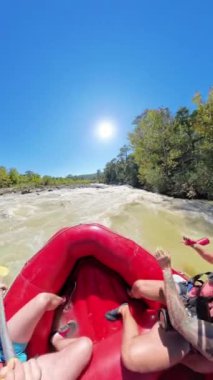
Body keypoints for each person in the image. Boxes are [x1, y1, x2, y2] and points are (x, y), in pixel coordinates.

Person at [105, 245, 213, 374]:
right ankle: (132, 294)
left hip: (189, 331)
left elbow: (182, 323)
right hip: (192, 299)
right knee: (139, 287)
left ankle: (125, 310)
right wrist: (197, 248)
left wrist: (167, 270)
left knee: (131, 358)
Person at [0, 290, 93, 380]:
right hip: (26, 373)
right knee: (84, 345)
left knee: (43, 299)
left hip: (4, 349)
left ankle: (62, 300)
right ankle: (56, 340)